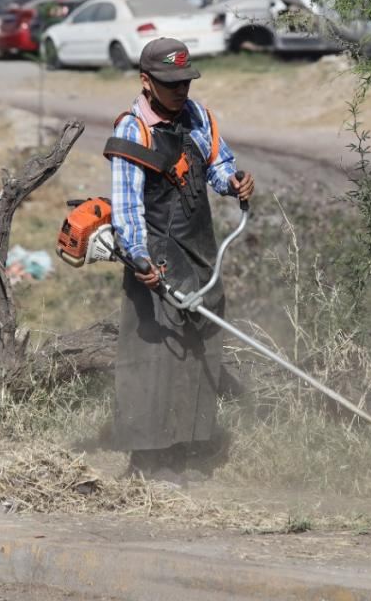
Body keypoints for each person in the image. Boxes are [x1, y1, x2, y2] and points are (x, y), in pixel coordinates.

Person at [103, 37, 256, 483]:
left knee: (199, 348)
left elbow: (217, 165)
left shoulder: (198, 116)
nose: (181, 90)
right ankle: (149, 460)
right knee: (155, 355)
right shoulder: (134, 129)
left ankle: (189, 448)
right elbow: (127, 206)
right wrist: (139, 258)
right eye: (171, 84)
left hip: (200, 252)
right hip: (155, 257)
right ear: (146, 81)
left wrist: (235, 182)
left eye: (185, 81)